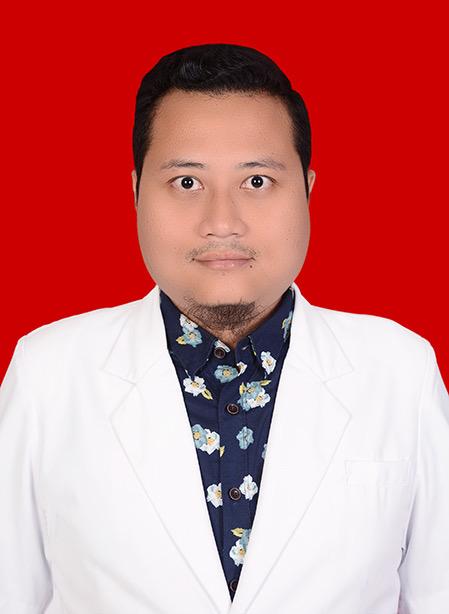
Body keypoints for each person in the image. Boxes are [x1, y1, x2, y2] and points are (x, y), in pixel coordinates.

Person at [0, 43, 448, 614]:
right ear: (135, 192)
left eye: (256, 181)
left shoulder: (401, 370)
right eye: (187, 182)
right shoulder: (48, 373)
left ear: (308, 191)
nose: (222, 222)